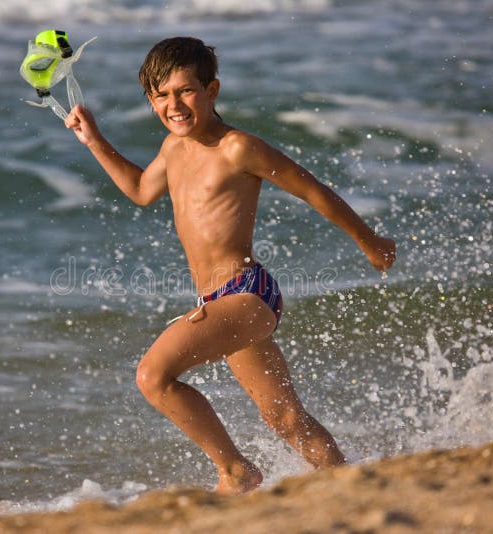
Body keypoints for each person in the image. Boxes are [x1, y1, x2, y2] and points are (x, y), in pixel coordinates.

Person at [64, 37, 396, 494]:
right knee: (284, 418)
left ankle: (235, 471)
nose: (173, 104)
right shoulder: (172, 149)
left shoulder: (238, 148)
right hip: (217, 299)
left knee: (154, 377)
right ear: (150, 101)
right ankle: (350, 484)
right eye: (161, 95)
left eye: (185, 91)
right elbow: (141, 190)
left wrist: (369, 240)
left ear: (212, 90)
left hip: (246, 293)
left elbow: (313, 190)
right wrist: (94, 140)